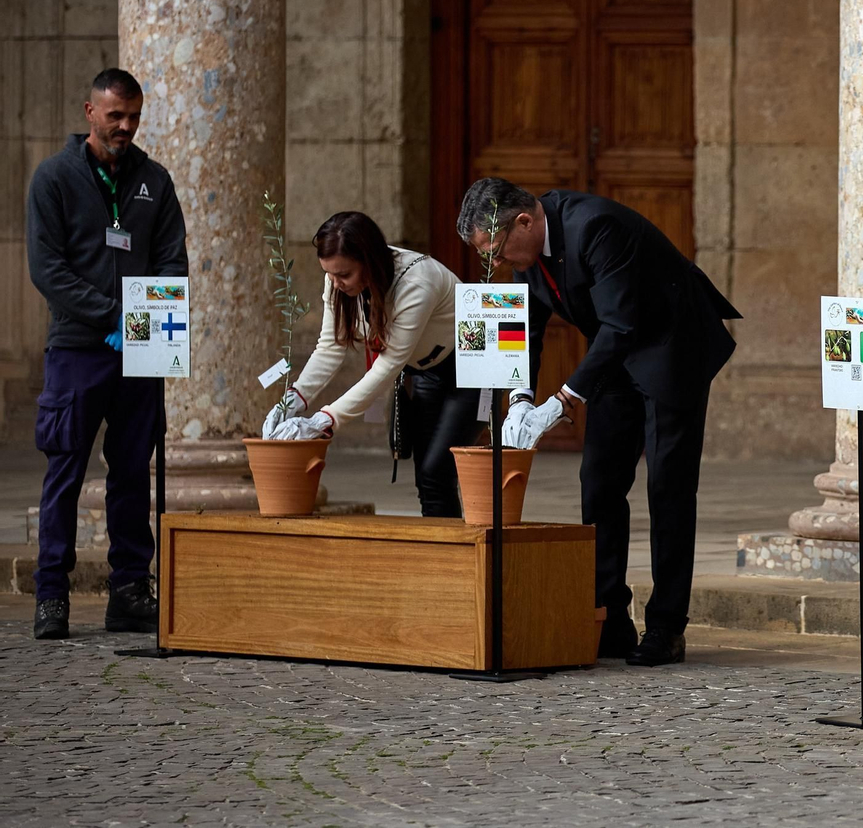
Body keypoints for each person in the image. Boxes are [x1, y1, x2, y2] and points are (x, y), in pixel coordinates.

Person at [456, 178, 739, 667]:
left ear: (523, 222)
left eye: (496, 251)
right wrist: (521, 398)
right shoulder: (526, 250)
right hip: (617, 353)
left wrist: (561, 401)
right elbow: (527, 330)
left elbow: (622, 324)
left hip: (671, 344)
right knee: (600, 480)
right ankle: (610, 618)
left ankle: (667, 627)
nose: (496, 263)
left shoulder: (595, 226)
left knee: (667, 484)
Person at [25, 68, 188, 640]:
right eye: (115, 115)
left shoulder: (155, 181)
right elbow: (47, 269)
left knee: (132, 471)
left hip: (138, 348)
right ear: (89, 112)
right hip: (76, 349)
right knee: (64, 470)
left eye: (134, 116)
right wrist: (108, 315)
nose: (125, 126)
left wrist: (141, 323)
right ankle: (51, 594)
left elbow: (172, 261)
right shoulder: (54, 178)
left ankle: (129, 590)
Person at [264, 212, 481, 517]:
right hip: (425, 371)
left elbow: (388, 365)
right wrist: (293, 399)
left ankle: (462, 544)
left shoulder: (418, 282)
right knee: (427, 478)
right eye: (329, 274)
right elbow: (330, 347)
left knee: (436, 470)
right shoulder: (338, 281)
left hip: (472, 364)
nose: (336, 283)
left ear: (369, 261)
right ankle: (442, 545)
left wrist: (326, 419)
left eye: (344, 274)